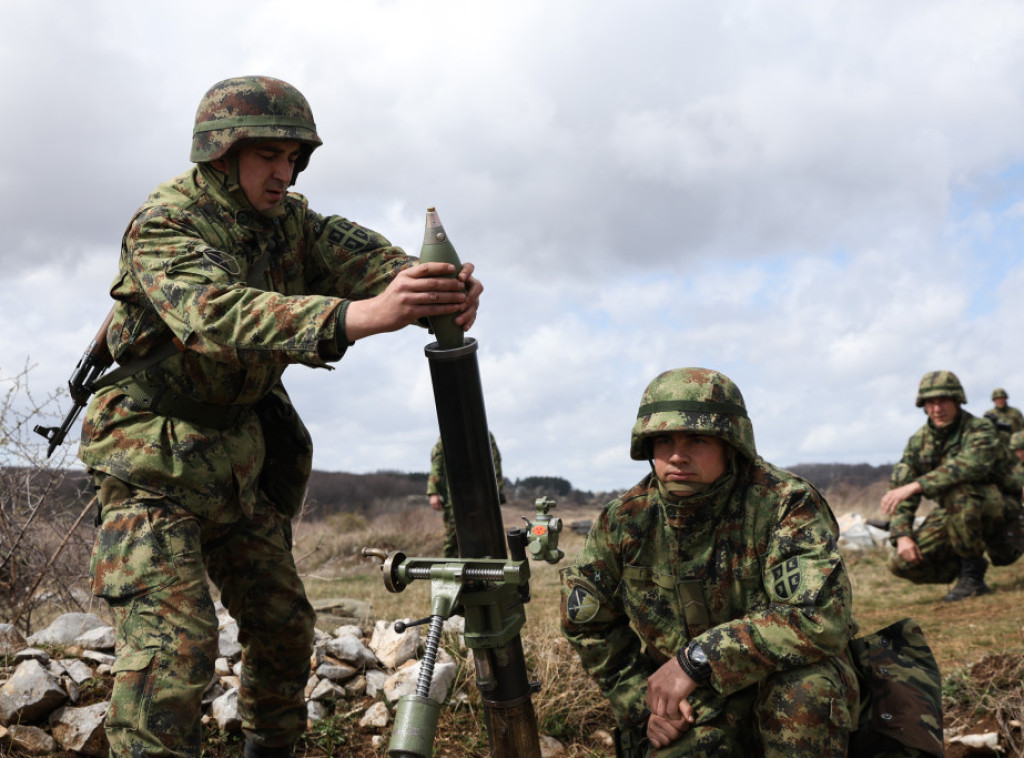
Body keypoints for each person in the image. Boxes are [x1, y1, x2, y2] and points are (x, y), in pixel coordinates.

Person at [79, 76, 483, 758]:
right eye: (267, 154)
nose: (283, 172)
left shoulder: (290, 221)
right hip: (149, 457)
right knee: (174, 649)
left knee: (284, 629)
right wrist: (356, 318)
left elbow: (364, 258)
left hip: (237, 456)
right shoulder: (167, 222)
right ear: (220, 152)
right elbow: (217, 313)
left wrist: (427, 285)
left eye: (293, 157)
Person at [560, 368, 859, 757]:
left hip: (783, 676)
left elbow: (819, 618)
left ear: (731, 444)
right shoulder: (625, 520)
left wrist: (695, 660)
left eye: (697, 439)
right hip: (693, 699)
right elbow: (588, 624)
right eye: (663, 440)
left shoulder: (784, 503)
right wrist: (646, 706)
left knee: (804, 695)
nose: (677, 456)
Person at [880, 371, 1024, 602]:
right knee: (901, 563)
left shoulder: (980, 429)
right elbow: (902, 487)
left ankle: (972, 576)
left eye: (943, 401)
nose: (937, 409)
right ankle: (967, 569)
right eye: (930, 403)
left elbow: (970, 466)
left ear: (957, 401)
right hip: (958, 512)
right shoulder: (919, 442)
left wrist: (918, 485)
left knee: (960, 493)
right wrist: (903, 535)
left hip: (1002, 509)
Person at [426, 430, 506, 556]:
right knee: (454, 537)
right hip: (455, 495)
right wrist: (433, 492)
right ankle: (450, 572)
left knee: (485, 537)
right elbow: (438, 462)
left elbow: (495, 461)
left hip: (481, 495)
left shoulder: (481, 430)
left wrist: (497, 492)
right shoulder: (448, 431)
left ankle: (485, 573)